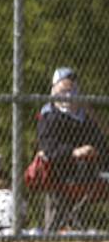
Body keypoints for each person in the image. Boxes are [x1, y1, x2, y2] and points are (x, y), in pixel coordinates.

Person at [35, 67, 109, 232]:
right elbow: (48, 148)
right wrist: (74, 152)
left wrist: (94, 151)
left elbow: (102, 142)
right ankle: (55, 230)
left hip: (88, 170)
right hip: (59, 170)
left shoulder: (84, 117)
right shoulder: (49, 114)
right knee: (59, 201)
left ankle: (76, 225)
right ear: (54, 90)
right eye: (64, 90)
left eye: (72, 90)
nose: (68, 95)